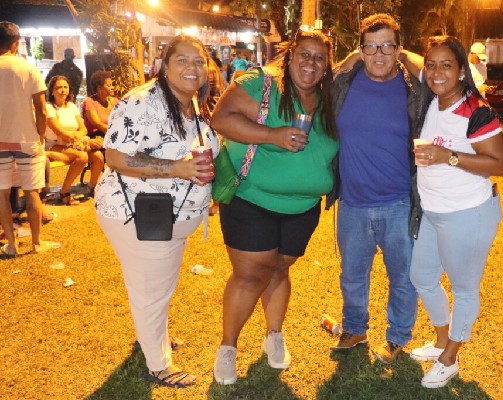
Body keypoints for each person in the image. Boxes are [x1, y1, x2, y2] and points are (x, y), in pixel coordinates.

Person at [210, 28, 338, 385]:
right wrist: (272, 135)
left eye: (320, 58)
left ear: (327, 65)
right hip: (253, 199)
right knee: (251, 275)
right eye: (305, 54)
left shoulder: (329, 99)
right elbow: (221, 118)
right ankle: (228, 347)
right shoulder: (261, 83)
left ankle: (274, 335)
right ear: (290, 53)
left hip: (304, 207)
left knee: (280, 269)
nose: (311, 63)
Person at [95, 34, 218, 388]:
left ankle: (152, 335)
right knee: (151, 290)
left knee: (158, 285)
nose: (192, 67)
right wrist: (177, 168)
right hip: (137, 213)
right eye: (182, 60)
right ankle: (159, 364)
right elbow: (116, 157)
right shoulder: (141, 102)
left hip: (167, 217)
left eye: (199, 61)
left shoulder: (189, 102)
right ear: (164, 66)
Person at [408, 35, 503, 388]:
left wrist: (447, 156)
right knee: (422, 277)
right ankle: (440, 341)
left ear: (462, 71)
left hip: (468, 213)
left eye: (447, 65)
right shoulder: (431, 101)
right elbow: (411, 62)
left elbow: (499, 164)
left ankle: (450, 358)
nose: (437, 73)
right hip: (434, 211)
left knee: (464, 289)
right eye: (432, 65)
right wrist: (386, 51)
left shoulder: (476, 111)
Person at [325, 13, 421, 364]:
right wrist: (352, 57)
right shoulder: (342, 84)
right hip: (352, 203)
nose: (379, 55)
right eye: (371, 47)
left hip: (399, 203)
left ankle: (397, 336)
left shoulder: (414, 90)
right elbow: (315, 75)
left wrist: (400, 52)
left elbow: (453, 72)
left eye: (387, 46)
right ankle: (354, 328)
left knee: (404, 277)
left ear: (399, 48)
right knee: (352, 275)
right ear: (360, 49)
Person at [0, 21, 56, 255]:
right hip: (26, 138)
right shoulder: (28, 68)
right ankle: (36, 243)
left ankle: (11, 246)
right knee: (31, 191)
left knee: (2, 193)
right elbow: (41, 110)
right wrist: (40, 136)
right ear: (16, 43)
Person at [44, 75, 89, 205]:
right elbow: (59, 132)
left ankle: (91, 188)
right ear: (52, 91)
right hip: (54, 144)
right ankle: (65, 191)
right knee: (82, 157)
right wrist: (76, 138)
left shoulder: (72, 106)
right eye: (58, 87)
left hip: (72, 144)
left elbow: (83, 129)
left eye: (65, 87)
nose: (63, 90)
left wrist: (78, 137)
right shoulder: (49, 107)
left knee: (95, 155)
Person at [81, 70, 117, 196]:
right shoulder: (89, 102)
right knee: (98, 156)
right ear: (99, 88)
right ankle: (92, 186)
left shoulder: (115, 101)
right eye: (109, 85)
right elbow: (97, 123)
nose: (112, 87)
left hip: (111, 136)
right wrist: (115, 134)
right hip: (95, 138)